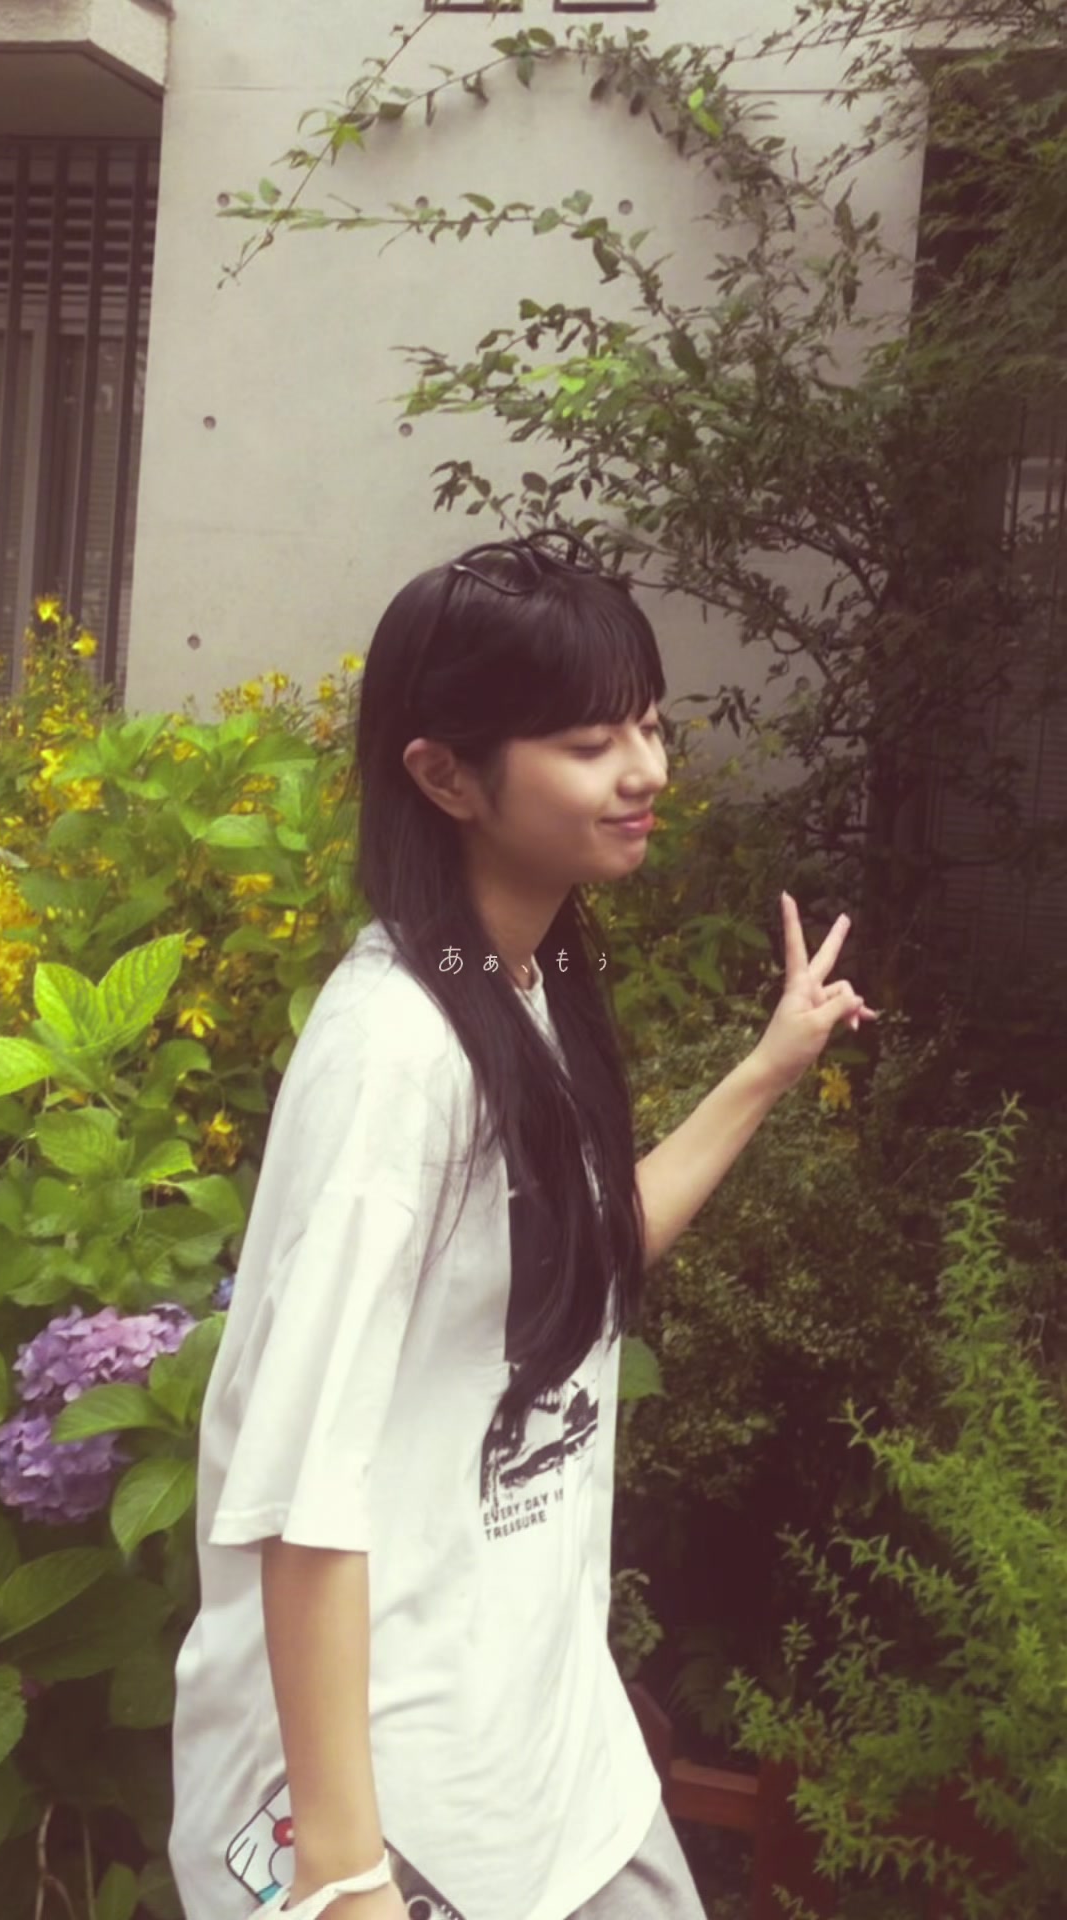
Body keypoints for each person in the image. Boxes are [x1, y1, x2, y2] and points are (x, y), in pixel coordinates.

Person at [169, 528, 876, 1920]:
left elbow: (583, 1259)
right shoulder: (396, 1056)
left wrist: (767, 1067)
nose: (647, 770)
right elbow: (297, 1488)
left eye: (650, 726)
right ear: (444, 775)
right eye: (590, 741)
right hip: (388, 1803)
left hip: (547, 1753)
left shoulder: (518, 986)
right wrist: (343, 1875)